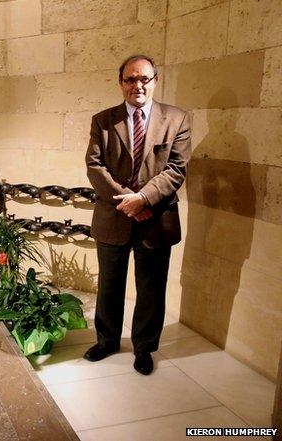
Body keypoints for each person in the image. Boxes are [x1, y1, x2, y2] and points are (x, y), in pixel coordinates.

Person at [84, 54, 191, 375]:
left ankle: (144, 348)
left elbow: (176, 168)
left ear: (155, 80)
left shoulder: (177, 119)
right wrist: (128, 201)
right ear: (121, 84)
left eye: (144, 78)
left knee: (151, 287)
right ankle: (107, 341)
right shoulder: (103, 120)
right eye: (130, 79)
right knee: (109, 284)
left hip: (156, 219)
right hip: (113, 217)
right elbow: (94, 165)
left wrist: (143, 199)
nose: (137, 85)